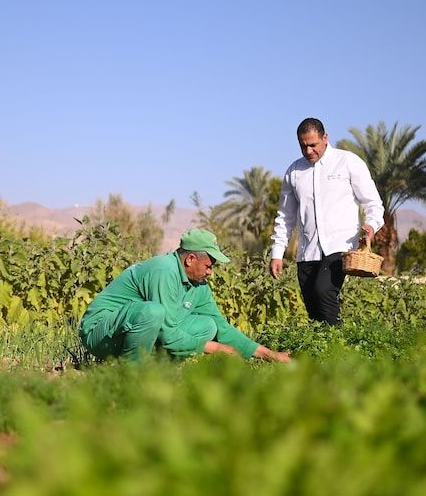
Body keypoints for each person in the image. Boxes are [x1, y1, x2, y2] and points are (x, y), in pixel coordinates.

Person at [79, 228, 291, 363]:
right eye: (208, 266)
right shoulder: (163, 271)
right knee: (153, 311)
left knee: (209, 325)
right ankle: (132, 375)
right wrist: (214, 348)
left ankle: (156, 367)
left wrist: (271, 355)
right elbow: (167, 333)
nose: (210, 272)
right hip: (102, 333)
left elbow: (222, 327)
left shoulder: (198, 285)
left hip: (137, 334)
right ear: (190, 259)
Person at [269, 117, 385, 325]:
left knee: (323, 292)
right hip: (307, 251)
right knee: (313, 308)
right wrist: (277, 253)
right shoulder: (294, 172)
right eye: (303, 146)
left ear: (325, 138)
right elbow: (285, 216)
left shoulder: (348, 162)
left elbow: (373, 202)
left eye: (313, 145)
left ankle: (338, 348)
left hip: (340, 247)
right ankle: (323, 352)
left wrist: (372, 224)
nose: (308, 151)